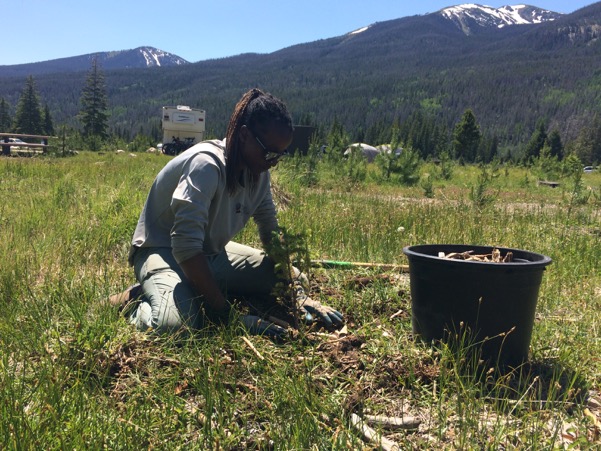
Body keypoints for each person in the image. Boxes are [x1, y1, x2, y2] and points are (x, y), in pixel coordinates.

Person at [114, 88, 343, 337]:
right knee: (175, 327)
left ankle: (189, 288)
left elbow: (270, 230)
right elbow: (185, 246)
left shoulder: (259, 174)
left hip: (209, 253)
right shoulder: (206, 166)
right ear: (244, 135)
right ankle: (137, 299)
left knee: (291, 277)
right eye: (269, 152)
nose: (273, 161)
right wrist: (227, 316)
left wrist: (297, 297)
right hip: (162, 250)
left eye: (280, 154)